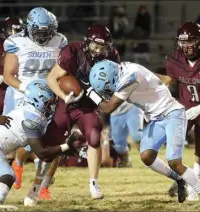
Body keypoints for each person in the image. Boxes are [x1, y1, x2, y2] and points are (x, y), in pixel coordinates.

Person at [86, 59, 200, 207]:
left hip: (173, 114)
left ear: (112, 77)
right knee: (146, 156)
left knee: (175, 162)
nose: (107, 91)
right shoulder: (126, 67)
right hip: (156, 118)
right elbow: (149, 74)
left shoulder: (129, 78)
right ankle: (179, 179)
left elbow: (108, 108)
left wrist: (92, 94)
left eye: (106, 87)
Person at [46, 23, 120, 199]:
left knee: (94, 135)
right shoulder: (72, 51)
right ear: (87, 43)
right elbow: (51, 78)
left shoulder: (111, 56)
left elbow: (113, 84)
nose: (99, 50)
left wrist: (100, 94)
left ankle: (93, 183)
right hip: (68, 101)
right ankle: (41, 183)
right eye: (96, 45)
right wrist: (64, 98)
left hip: (89, 104)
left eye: (103, 46)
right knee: (53, 140)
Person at [2, 7, 68, 199]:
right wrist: (27, 89)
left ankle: (42, 187)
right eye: (40, 32)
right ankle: (18, 164)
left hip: (51, 95)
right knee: (25, 142)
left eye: (47, 32)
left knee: (55, 141)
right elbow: (8, 75)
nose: (44, 36)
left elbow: (64, 69)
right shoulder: (16, 43)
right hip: (24, 95)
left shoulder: (59, 41)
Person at [0, 80, 74, 211]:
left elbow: (47, 155)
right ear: (36, 100)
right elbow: (42, 153)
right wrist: (66, 146)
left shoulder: (36, 115)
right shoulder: (32, 119)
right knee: (7, 175)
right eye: (48, 103)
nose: (51, 107)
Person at [156, 22, 200, 201]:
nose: (186, 46)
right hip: (183, 108)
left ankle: (194, 179)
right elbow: (168, 81)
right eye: (183, 42)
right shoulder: (174, 59)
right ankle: (185, 182)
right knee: (173, 148)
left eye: (190, 41)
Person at [0, 17, 23, 124]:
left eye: (18, 30)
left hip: (17, 90)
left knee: (16, 124)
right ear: (4, 31)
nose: (15, 33)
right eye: (12, 30)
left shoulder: (27, 46)